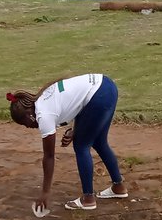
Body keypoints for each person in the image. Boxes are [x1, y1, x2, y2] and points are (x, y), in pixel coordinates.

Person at [7, 74, 128, 212]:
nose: (28, 127)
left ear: (29, 115)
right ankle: (118, 187)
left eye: (25, 124)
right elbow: (78, 104)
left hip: (98, 96)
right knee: (99, 142)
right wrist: (75, 130)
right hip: (106, 86)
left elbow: (49, 157)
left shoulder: (43, 115)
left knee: (81, 146)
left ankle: (88, 199)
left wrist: (45, 193)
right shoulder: (42, 99)